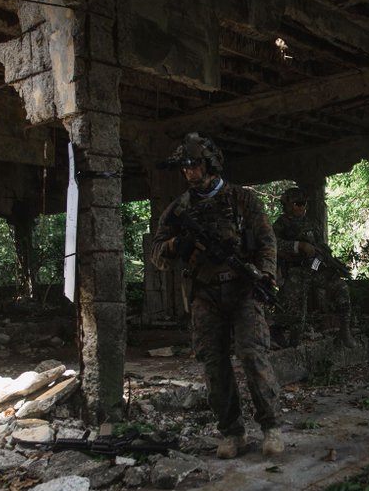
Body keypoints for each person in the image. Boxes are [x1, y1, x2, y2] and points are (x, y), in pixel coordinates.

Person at [150, 133, 285, 458]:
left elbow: (267, 241)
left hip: (243, 289)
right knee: (214, 363)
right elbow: (156, 253)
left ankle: (271, 427)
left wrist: (264, 274)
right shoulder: (179, 209)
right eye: (184, 167)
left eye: (193, 165)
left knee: (253, 355)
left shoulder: (243, 200)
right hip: (204, 293)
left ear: (209, 164)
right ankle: (231, 432)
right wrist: (174, 247)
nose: (188, 172)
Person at [271, 187, 355, 347]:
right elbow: (272, 244)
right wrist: (297, 246)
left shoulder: (311, 223)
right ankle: (288, 344)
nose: (302, 207)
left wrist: (325, 257)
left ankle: (345, 331)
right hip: (294, 273)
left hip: (315, 269)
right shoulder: (280, 224)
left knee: (341, 287)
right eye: (298, 204)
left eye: (304, 204)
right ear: (288, 205)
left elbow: (320, 244)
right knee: (296, 318)